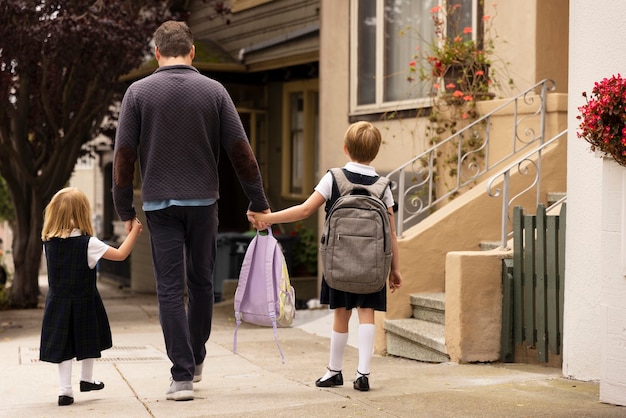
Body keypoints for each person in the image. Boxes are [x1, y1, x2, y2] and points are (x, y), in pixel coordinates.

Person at [112, 20, 269, 401]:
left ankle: (181, 376)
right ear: (192, 51)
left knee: (169, 289)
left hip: (159, 205)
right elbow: (241, 153)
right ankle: (196, 357)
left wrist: (123, 207)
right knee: (201, 283)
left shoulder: (138, 92)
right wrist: (258, 201)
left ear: (157, 53)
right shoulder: (214, 91)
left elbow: (123, 156)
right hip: (203, 204)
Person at [250, 121, 403, 392]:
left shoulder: (334, 178)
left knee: (340, 315)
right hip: (373, 265)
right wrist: (395, 269)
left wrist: (267, 219)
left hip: (339, 262)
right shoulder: (383, 186)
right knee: (367, 314)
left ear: (346, 149)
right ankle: (363, 374)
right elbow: (391, 233)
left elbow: (304, 211)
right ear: (376, 152)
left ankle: (334, 371)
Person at [39, 187, 143, 406]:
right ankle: (86, 379)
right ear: (82, 213)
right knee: (88, 338)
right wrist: (134, 232)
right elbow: (121, 254)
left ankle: (65, 391)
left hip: (57, 303)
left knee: (64, 345)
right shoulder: (89, 244)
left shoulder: (48, 244)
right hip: (84, 301)